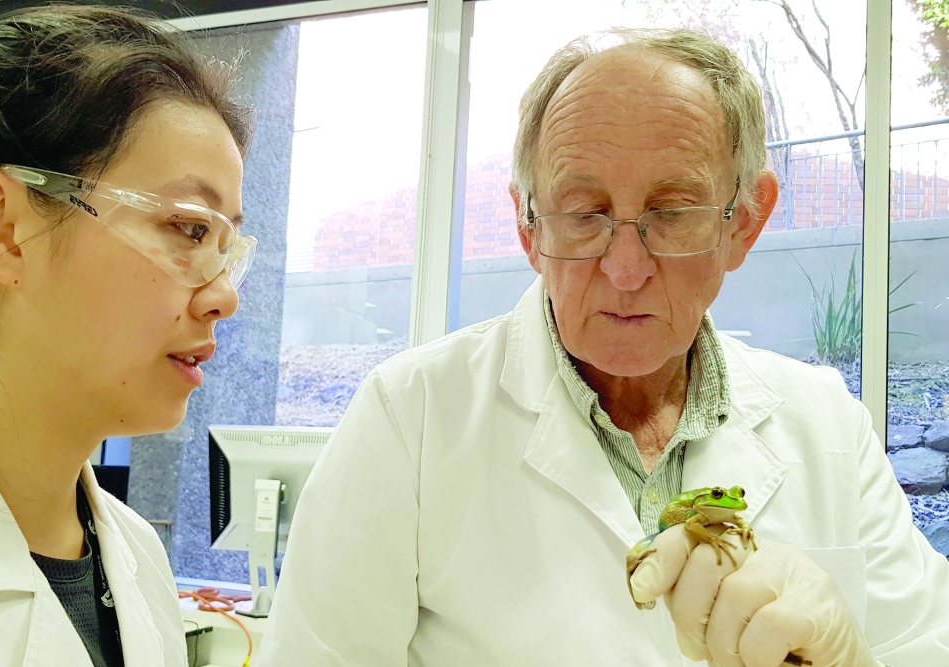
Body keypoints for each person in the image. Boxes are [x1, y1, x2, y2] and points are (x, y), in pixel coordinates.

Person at [258, 27, 949, 667]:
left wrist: (852, 656)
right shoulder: (410, 418)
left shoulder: (829, 426)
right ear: (529, 230)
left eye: (672, 211)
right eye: (584, 214)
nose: (624, 268)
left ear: (745, 223)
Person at [0, 6, 255, 666]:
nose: (225, 295)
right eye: (188, 229)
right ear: (1, 225)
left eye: (229, 248)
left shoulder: (137, 555)